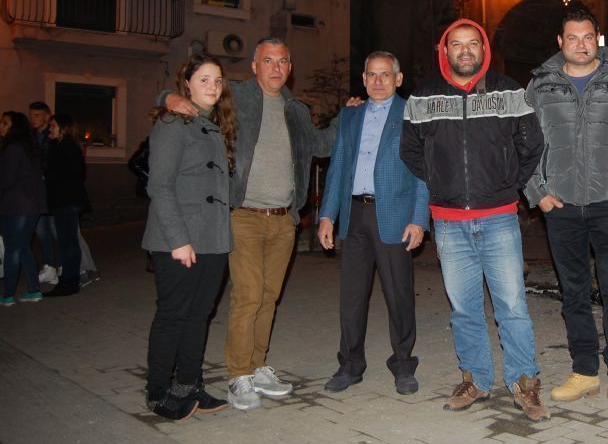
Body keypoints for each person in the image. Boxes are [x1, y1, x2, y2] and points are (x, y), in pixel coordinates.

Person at [164, 37, 337, 411]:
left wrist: (351, 115)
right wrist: (167, 97)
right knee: (248, 295)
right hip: (243, 214)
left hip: (283, 218)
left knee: (269, 297)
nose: (276, 67)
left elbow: (322, 146)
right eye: (268, 61)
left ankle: (258, 366)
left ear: (290, 68)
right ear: (255, 66)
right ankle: (237, 375)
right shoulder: (234, 96)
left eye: (283, 61)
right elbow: (193, 91)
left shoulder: (296, 109)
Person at [401, 19, 550, 422]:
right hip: (448, 223)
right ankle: (476, 379)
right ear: (444, 50)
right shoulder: (423, 97)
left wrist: (508, 185)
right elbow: (411, 151)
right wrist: (440, 183)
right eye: (456, 44)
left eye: (472, 43)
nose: (464, 50)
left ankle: (525, 382)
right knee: (463, 308)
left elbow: (531, 144)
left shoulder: (509, 91)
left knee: (512, 305)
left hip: (499, 217)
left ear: (484, 49)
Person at [524, 8, 608, 408]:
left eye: (587, 37)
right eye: (572, 37)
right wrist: (539, 193)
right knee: (574, 294)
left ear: (597, 38)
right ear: (559, 42)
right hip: (560, 208)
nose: (580, 44)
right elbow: (522, 146)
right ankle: (583, 371)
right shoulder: (539, 86)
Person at [317, 51, 429, 395]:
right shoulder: (350, 117)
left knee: (399, 295)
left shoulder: (412, 114)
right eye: (372, 75)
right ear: (363, 79)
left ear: (398, 79)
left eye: (385, 75)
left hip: (394, 215)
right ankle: (350, 364)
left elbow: (424, 171)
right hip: (354, 215)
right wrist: (326, 215)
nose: (378, 81)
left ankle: (403, 364)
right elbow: (337, 168)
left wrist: (418, 219)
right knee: (351, 296)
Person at [143, 54, 238, 420]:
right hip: (178, 238)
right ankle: (157, 392)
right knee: (172, 315)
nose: (213, 87)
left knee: (199, 315)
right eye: (204, 80)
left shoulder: (214, 124)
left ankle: (188, 384)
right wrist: (179, 240)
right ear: (187, 85)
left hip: (213, 238)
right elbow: (160, 185)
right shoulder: (174, 121)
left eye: (217, 80)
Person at [0, 111, 46, 306]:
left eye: (4, 123)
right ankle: (34, 289)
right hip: (29, 205)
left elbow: (6, 179)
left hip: (18, 205)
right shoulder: (28, 147)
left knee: (13, 249)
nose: (1, 126)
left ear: (14, 127)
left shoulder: (14, 148)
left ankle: (7, 294)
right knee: (23, 247)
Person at [42, 114, 90, 297]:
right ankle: (70, 280)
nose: (50, 129)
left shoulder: (66, 147)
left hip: (66, 201)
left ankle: (69, 281)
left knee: (67, 243)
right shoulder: (60, 146)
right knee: (68, 242)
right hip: (65, 200)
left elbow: (68, 175)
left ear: (63, 128)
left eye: (53, 126)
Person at [28, 102, 59, 286]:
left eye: (37, 115)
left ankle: (61, 266)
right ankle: (49, 266)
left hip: (51, 190)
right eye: (31, 115)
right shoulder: (30, 137)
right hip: (36, 191)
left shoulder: (52, 136)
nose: (34, 119)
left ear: (47, 116)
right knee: (41, 231)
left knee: (55, 231)